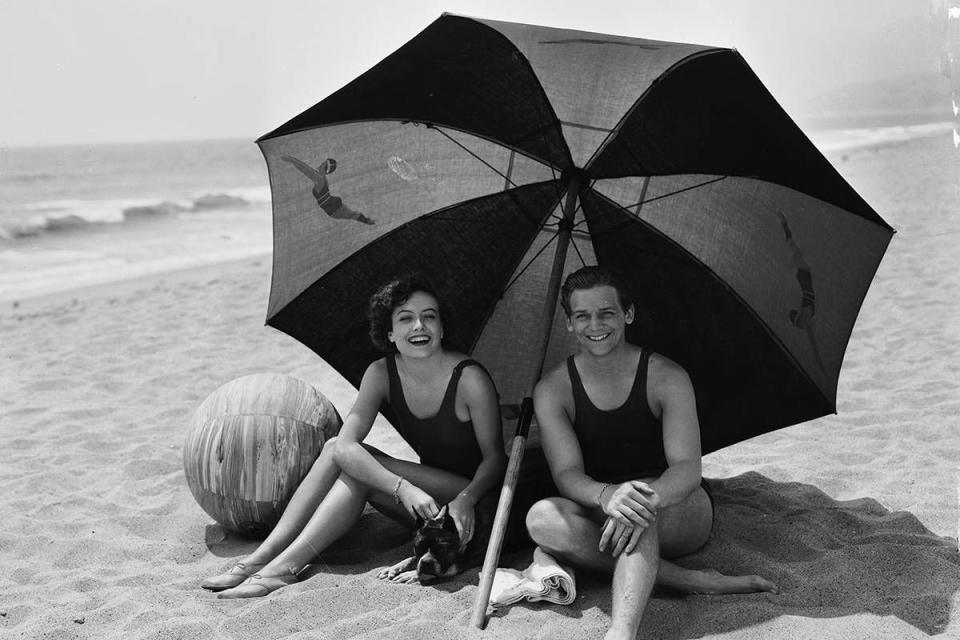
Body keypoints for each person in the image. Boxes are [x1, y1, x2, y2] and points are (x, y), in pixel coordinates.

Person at [203, 273, 506, 598]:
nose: (419, 326)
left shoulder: (469, 379)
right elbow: (344, 447)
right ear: (390, 333)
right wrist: (402, 489)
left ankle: (283, 568)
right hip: (426, 502)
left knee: (357, 469)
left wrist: (465, 500)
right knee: (338, 447)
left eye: (429, 317)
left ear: (442, 328)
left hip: (471, 500)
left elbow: (495, 459)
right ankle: (259, 560)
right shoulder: (381, 374)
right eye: (406, 319)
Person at [526, 266, 777, 640]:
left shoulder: (666, 376)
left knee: (638, 500)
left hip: (679, 506)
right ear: (568, 323)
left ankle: (622, 631)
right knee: (541, 519)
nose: (595, 324)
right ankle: (688, 579)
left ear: (627, 314)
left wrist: (640, 499)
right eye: (582, 315)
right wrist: (609, 495)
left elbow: (687, 469)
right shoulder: (552, 390)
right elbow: (567, 474)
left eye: (606, 312)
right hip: (604, 504)